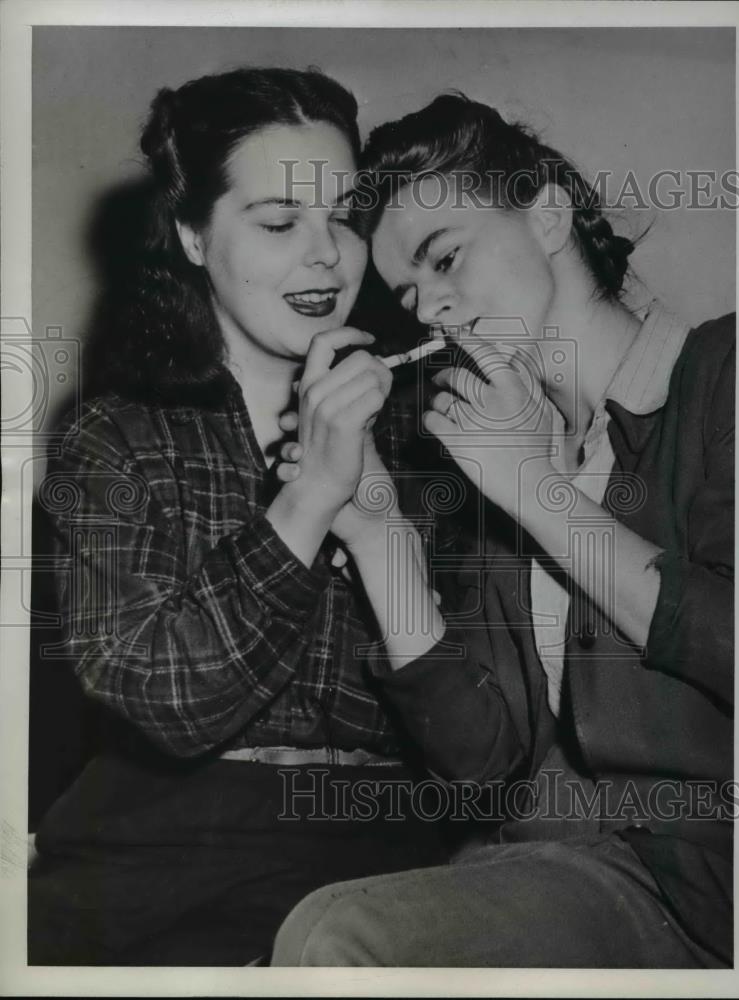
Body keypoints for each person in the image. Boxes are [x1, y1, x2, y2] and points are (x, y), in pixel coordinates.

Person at [270, 93, 735, 967]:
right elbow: (483, 766)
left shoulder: (722, 374)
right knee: (330, 931)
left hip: (714, 896)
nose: (433, 310)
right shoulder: (497, 449)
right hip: (577, 873)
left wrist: (538, 491)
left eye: (446, 259)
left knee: (343, 939)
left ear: (548, 214)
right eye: (411, 294)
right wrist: (378, 537)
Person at [27, 68, 461, 967]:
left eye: (344, 216)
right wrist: (307, 503)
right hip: (162, 877)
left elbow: (482, 754)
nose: (326, 257)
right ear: (191, 235)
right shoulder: (116, 440)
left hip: (387, 872)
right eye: (277, 223)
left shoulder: (436, 441)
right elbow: (171, 702)